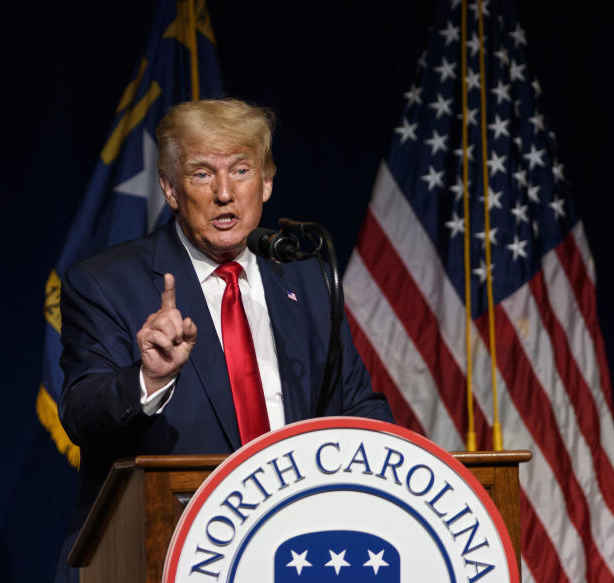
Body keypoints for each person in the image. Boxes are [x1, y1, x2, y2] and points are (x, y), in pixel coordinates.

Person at [56, 98, 394, 561]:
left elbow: (355, 406)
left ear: (267, 182)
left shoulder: (307, 278)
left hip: (295, 550)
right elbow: (81, 415)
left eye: (241, 170)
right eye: (201, 173)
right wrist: (150, 379)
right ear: (170, 189)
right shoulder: (105, 283)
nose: (223, 192)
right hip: (164, 547)